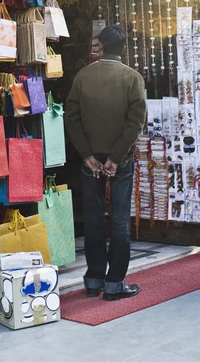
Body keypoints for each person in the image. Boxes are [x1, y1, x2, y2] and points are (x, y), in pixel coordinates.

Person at [65, 26, 146, 301]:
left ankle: (94, 278)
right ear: (123, 49)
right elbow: (135, 123)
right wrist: (115, 158)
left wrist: (88, 155)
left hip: (90, 157)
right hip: (119, 157)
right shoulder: (132, 78)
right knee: (120, 220)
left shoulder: (83, 76)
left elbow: (72, 116)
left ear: (100, 46)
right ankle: (114, 283)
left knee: (93, 219)